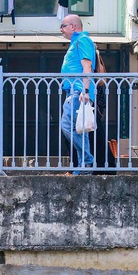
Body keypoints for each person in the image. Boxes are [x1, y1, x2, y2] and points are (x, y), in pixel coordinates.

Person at [59, 14, 96, 175]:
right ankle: (85, 166)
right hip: (75, 91)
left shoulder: (82, 40)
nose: (61, 29)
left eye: (63, 26)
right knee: (79, 129)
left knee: (67, 126)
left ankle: (86, 162)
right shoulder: (77, 42)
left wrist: (85, 90)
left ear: (73, 26)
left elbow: (87, 67)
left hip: (78, 91)